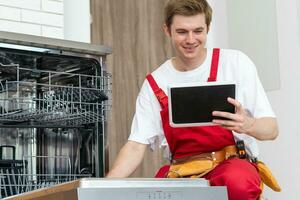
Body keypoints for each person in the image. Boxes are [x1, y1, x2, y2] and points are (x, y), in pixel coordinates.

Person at [106, 0, 279, 199]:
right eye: (182, 32)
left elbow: (271, 129)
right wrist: (100, 189)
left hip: (231, 166)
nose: (190, 40)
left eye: (198, 31)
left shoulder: (235, 63)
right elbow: (136, 145)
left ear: (208, 29)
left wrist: (247, 124)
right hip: (182, 171)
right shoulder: (156, 83)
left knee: (237, 183)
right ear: (167, 30)